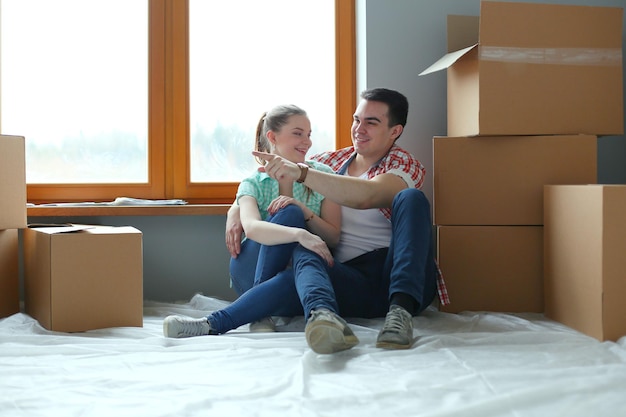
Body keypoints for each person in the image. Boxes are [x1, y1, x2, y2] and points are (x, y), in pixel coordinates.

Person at [232, 88, 448, 354]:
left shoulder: (404, 164)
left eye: (371, 122)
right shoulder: (329, 163)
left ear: (395, 131)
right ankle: (319, 316)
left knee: (411, 198)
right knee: (304, 254)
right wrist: (236, 208)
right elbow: (267, 175)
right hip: (347, 277)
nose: (359, 128)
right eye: (357, 119)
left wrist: (300, 172)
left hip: (395, 273)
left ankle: (400, 313)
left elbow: (367, 196)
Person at [163, 104, 341, 337]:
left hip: (298, 276)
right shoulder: (253, 183)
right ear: (272, 137)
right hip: (251, 266)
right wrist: (300, 234)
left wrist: (304, 211)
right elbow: (253, 228)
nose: (307, 142)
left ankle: (214, 323)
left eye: (309, 134)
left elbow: (333, 238)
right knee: (289, 214)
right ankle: (257, 309)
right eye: (298, 133)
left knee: (296, 240)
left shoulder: (322, 175)